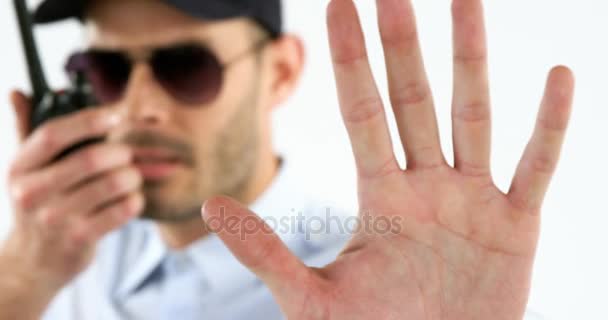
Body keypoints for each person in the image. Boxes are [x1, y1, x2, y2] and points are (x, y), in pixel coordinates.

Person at [0, 0, 575, 319]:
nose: (138, 108)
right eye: (107, 72)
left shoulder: (390, 291)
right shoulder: (57, 256)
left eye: (186, 67)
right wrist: (22, 280)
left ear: (280, 71)